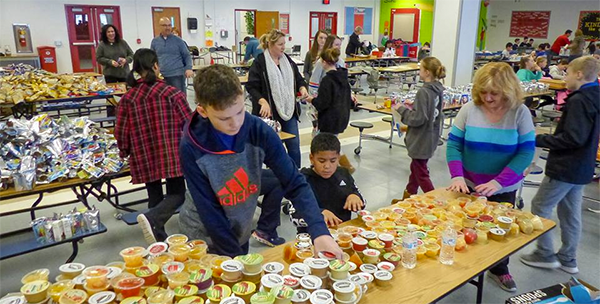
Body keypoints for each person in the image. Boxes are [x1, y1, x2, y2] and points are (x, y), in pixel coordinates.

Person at [177, 64, 342, 257]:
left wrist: (319, 232)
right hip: (203, 236)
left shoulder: (258, 130)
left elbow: (294, 182)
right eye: (224, 118)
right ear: (203, 111)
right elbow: (209, 210)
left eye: (239, 112)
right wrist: (235, 258)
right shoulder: (191, 144)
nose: (236, 124)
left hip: (240, 227)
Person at [447, 62, 536, 292]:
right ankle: (463, 269)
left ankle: (500, 269)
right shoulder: (469, 109)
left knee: (498, 232)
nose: (487, 98)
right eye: (483, 92)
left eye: (494, 93)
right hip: (467, 185)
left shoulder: (520, 112)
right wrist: (457, 176)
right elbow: (454, 144)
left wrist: (499, 182)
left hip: (502, 187)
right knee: (463, 228)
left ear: (507, 90)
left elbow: (526, 152)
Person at [520, 56, 600, 275]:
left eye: (567, 73)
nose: (564, 78)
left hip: (566, 167)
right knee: (570, 213)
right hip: (583, 166)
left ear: (579, 74)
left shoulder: (579, 100)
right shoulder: (595, 95)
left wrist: (538, 139)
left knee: (540, 206)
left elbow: (573, 138)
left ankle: (544, 253)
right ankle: (568, 257)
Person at [114, 48, 193, 243]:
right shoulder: (172, 93)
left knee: (154, 194)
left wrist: (124, 151)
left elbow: (121, 131)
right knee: (177, 194)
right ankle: (153, 220)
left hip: (144, 155)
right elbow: (189, 124)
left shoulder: (128, 99)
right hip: (172, 153)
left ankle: (157, 230)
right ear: (156, 65)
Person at [246, 29, 308, 168]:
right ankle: (276, 177)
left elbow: (298, 79)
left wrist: (302, 88)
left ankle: (295, 176)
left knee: (294, 147)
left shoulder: (288, 60)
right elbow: (252, 87)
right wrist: (263, 101)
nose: (283, 47)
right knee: (273, 150)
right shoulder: (260, 62)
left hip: (289, 111)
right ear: (270, 44)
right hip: (270, 115)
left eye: (284, 43)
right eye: (280, 44)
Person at [393, 57, 445, 199]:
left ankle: (435, 201)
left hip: (420, 138)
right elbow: (431, 112)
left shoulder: (423, 92)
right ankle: (409, 196)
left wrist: (402, 109)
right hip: (431, 135)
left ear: (427, 72)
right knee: (415, 168)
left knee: (421, 172)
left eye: (421, 68)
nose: (419, 71)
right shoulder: (437, 89)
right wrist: (415, 105)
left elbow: (418, 118)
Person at [289, 133, 365, 231]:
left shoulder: (343, 173)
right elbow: (294, 216)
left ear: (338, 158)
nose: (327, 166)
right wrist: (318, 214)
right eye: (321, 161)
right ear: (312, 158)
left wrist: (355, 196)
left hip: (342, 232)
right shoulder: (302, 179)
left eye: (333, 161)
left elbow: (362, 202)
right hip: (313, 236)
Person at [150, 17, 193, 94]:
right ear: (159, 26)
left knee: (179, 98)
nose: (168, 28)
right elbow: (152, 58)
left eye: (169, 25)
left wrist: (188, 68)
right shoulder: (155, 41)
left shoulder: (179, 40)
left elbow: (187, 55)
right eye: (165, 25)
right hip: (161, 76)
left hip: (177, 75)